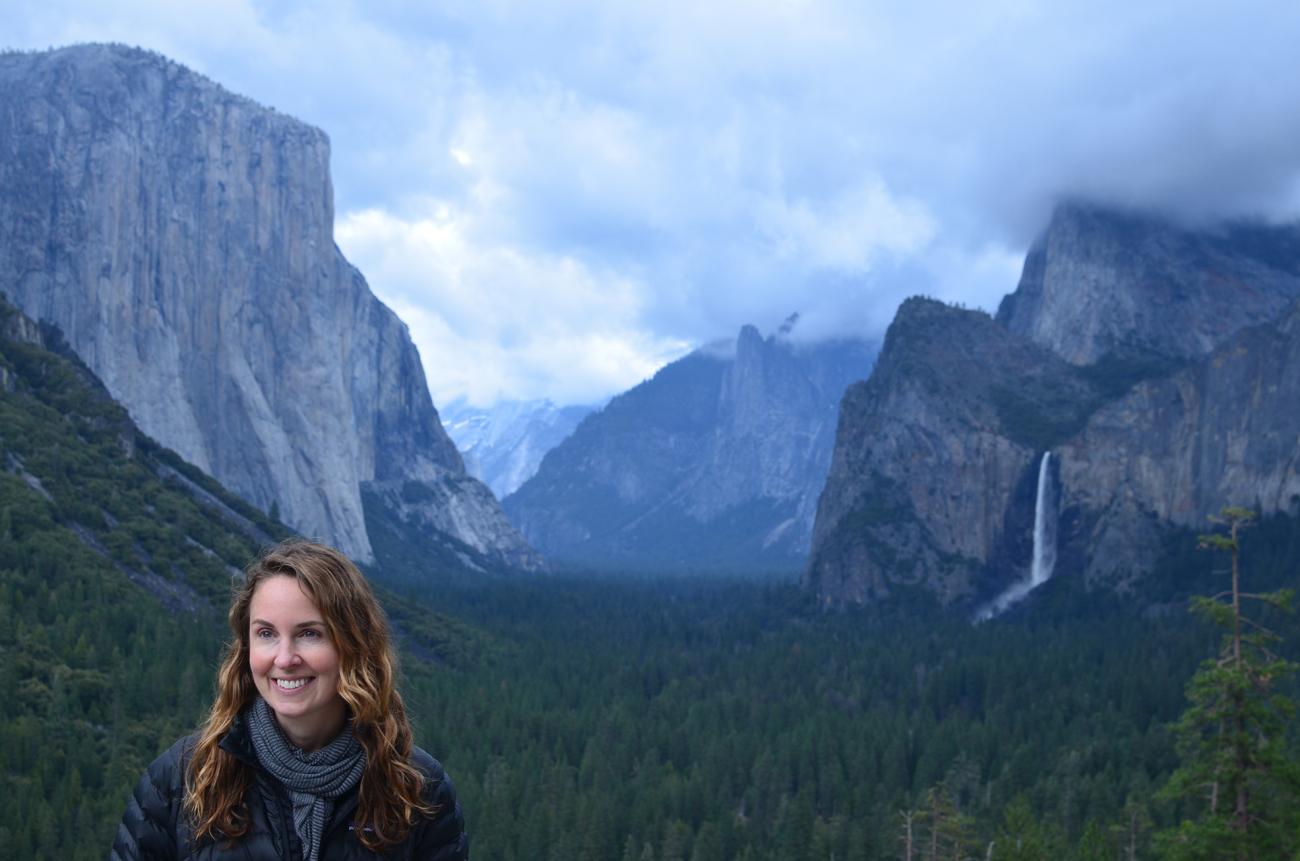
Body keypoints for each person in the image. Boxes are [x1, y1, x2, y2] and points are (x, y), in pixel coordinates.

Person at [110, 539, 469, 859]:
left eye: (310, 634)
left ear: (355, 645)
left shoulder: (418, 788)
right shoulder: (181, 778)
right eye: (266, 633)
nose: (284, 658)